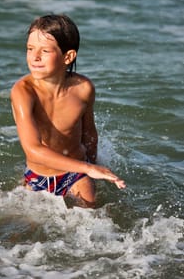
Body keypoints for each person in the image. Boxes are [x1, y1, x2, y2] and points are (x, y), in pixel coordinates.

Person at [11, 14, 126, 208]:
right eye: (30, 49)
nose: (35, 56)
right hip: (38, 176)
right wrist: (89, 168)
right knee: (23, 232)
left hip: (75, 174)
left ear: (68, 56)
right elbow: (33, 149)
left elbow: (89, 133)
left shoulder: (83, 88)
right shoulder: (23, 92)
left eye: (45, 50)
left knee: (94, 217)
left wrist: (92, 167)